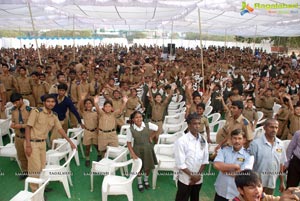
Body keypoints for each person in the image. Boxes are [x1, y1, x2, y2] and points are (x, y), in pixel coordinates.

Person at [25, 94, 76, 191]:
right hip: (32, 143)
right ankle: (36, 191)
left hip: (42, 143)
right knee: (35, 168)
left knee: (42, 166)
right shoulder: (36, 112)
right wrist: (28, 145)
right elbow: (28, 127)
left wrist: (70, 142)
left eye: (52, 102)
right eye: (48, 101)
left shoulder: (54, 115)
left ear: (55, 103)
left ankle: (41, 186)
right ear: (44, 103)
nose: (50, 103)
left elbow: (60, 129)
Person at [174, 113, 209, 201]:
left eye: (199, 123)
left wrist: (197, 176)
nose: (197, 126)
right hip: (185, 179)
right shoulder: (182, 141)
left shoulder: (203, 140)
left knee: (195, 198)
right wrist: (192, 176)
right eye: (194, 124)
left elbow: (205, 160)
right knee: (182, 198)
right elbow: (180, 163)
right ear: (189, 125)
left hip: (198, 179)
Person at [213, 129, 254, 201]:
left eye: (239, 138)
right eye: (234, 138)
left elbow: (243, 174)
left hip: (236, 194)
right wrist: (236, 166)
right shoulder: (224, 150)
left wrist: (224, 170)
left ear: (244, 140)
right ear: (231, 139)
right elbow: (216, 165)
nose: (237, 141)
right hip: (221, 191)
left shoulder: (249, 156)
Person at [249, 119, 287, 195]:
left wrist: (282, 182)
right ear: (264, 128)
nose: (274, 130)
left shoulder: (280, 144)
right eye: (271, 127)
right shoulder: (255, 144)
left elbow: (281, 164)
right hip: (257, 183)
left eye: (276, 127)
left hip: (271, 182)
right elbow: (250, 165)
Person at [126, 110, 158, 192]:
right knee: (139, 168)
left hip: (148, 149)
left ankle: (146, 180)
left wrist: (151, 137)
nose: (138, 119)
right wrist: (132, 154)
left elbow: (157, 128)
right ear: (133, 119)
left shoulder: (147, 125)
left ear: (142, 118)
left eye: (140, 117)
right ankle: (139, 182)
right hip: (137, 150)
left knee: (148, 167)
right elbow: (129, 143)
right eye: (136, 117)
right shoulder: (130, 129)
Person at [233, 169, 300, 201]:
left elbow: (279, 199)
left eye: (259, 186)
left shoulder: (264, 198)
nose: (257, 191)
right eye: (251, 187)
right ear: (240, 190)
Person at [10, 93, 32, 180]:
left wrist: (21, 126)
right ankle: (25, 172)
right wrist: (13, 124)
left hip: (27, 137)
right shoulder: (13, 110)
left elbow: (32, 124)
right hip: (18, 137)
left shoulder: (29, 110)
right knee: (21, 156)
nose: (15, 104)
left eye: (16, 102)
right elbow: (13, 121)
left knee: (30, 157)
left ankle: (33, 173)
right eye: (13, 103)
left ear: (21, 100)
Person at [79, 98, 99, 167]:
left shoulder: (96, 113)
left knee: (96, 146)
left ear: (92, 104)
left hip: (95, 132)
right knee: (87, 147)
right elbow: (80, 107)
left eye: (89, 103)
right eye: (86, 103)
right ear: (84, 105)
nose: (88, 105)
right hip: (87, 131)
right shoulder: (84, 113)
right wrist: (82, 99)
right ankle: (87, 159)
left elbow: (99, 122)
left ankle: (99, 155)